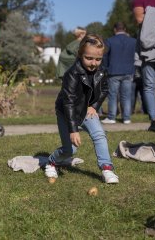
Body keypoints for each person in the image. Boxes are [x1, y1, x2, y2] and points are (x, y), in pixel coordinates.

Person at [44, 34, 119, 184]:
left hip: (86, 110)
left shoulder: (101, 71)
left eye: (98, 59)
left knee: (99, 135)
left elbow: (104, 90)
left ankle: (107, 169)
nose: (93, 63)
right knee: (70, 150)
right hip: (66, 112)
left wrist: (94, 106)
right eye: (89, 58)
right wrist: (73, 130)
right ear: (80, 55)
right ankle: (52, 162)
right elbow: (69, 102)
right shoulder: (71, 74)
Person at [133, 0, 155, 132]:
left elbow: (145, 18)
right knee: (149, 84)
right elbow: (139, 19)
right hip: (147, 46)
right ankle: (154, 120)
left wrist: (151, 14)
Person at [101, 22, 136, 124]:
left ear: (115, 30)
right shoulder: (133, 41)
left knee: (113, 95)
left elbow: (105, 56)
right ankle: (126, 118)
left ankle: (111, 117)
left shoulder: (110, 41)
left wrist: (105, 68)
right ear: (125, 29)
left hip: (114, 71)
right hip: (129, 71)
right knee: (126, 95)